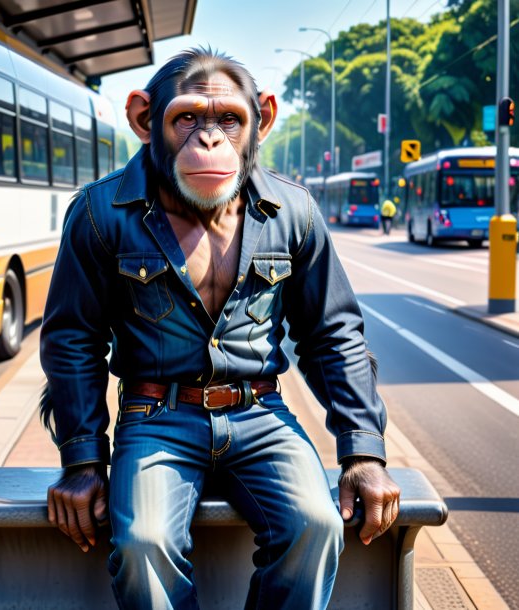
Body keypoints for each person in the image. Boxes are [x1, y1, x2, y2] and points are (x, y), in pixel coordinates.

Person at [40, 48, 400, 610]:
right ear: (144, 119)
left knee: (316, 526)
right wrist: (83, 459)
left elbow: (333, 333)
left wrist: (363, 451)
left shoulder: (292, 211)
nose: (209, 140)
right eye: (187, 119)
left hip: (260, 413)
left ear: (262, 120)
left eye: (228, 120)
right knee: (142, 544)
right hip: (156, 415)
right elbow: (72, 340)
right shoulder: (100, 211)